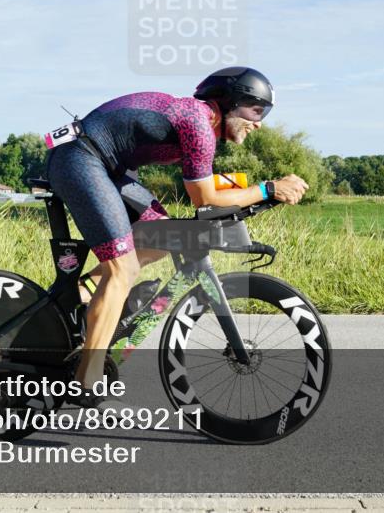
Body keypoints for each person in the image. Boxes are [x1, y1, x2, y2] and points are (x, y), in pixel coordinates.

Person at [44, 66, 308, 401]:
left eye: (265, 113)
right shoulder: (198, 122)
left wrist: (259, 193)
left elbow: (208, 184)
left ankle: (83, 297)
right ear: (229, 102)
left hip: (105, 164)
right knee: (121, 271)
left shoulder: (201, 125)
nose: (259, 122)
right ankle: (86, 378)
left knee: (165, 238)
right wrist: (268, 189)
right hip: (80, 158)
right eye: (256, 110)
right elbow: (205, 197)